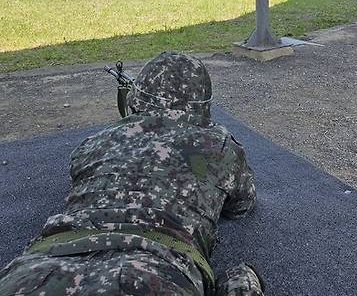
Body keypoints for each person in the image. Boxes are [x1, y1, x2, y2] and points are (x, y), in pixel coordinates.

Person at [0, 51, 265, 295]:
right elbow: (241, 205)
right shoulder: (220, 145)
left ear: (136, 99)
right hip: (153, 273)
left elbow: (79, 174)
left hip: (40, 266)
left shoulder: (96, 140)